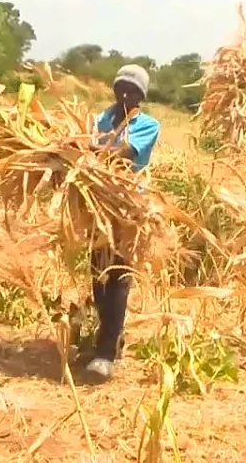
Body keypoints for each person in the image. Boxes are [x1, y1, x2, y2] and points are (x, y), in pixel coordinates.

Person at [84, 64, 160, 383]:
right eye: (121, 88)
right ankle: (109, 337)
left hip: (128, 211)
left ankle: (105, 354)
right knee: (98, 277)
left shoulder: (148, 125)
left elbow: (123, 154)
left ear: (141, 95)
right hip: (97, 208)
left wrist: (86, 148)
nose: (125, 94)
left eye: (133, 90)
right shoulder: (100, 119)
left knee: (118, 277)